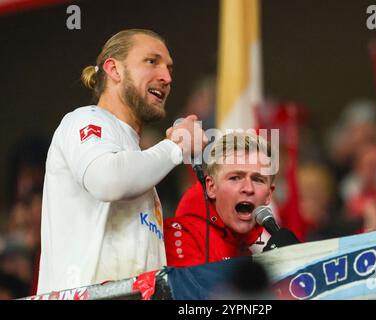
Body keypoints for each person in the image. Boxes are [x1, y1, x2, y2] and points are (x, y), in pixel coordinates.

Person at [37, 29, 206, 294]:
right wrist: (177, 146)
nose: (167, 77)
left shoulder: (137, 163)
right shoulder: (85, 120)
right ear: (114, 70)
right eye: (152, 61)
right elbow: (108, 181)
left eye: (169, 68)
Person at [164, 132, 275, 267]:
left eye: (258, 180)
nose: (248, 188)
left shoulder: (252, 253)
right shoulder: (180, 234)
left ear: (269, 195)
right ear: (211, 187)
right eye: (235, 178)